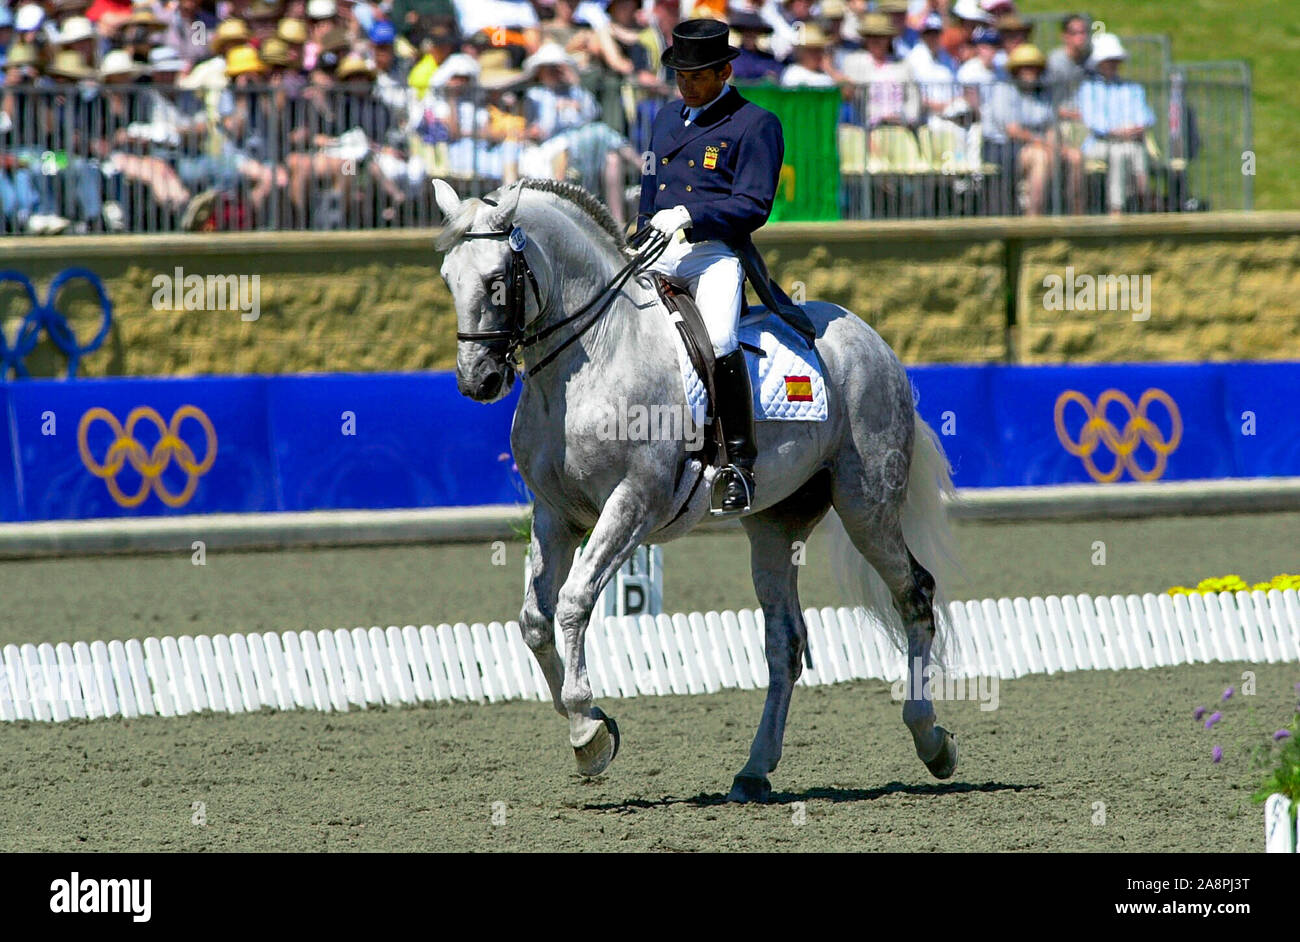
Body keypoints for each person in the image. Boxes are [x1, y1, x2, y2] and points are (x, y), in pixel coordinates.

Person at [636, 18, 786, 515]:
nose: (687, 85)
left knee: (720, 339)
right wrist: (639, 236)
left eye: (698, 77)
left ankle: (739, 464)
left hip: (713, 252)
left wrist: (692, 214)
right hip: (660, 250)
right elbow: (650, 191)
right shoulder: (663, 119)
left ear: (724, 72)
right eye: (680, 76)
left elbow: (754, 205)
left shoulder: (754, 124)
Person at [982, 43, 1081, 215]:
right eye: (1025, 67)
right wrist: (1047, 144)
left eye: (1034, 67)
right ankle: (1034, 218)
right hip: (1003, 147)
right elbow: (1013, 130)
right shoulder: (1004, 90)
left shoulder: (1042, 94)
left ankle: (1076, 216)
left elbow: (1050, 126)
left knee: (1075, 157)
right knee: (1041, 158)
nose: (1030, 71)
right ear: (1015, 70)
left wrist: (1060, 146)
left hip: (1038, 145)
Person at [1078, 33, 1153, 215]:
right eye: (1107, 60)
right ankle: (1117, 208)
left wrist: (1132, 130)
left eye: (1114, 60)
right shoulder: (1089, 89)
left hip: (1131, 141)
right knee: (1120, 152)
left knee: (1130, 150)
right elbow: (1095, 122)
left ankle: (1143, 197)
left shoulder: (1132, 88)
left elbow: (1145, 116)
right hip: (1099, 143)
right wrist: (1118, 132)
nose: (1112, 64)